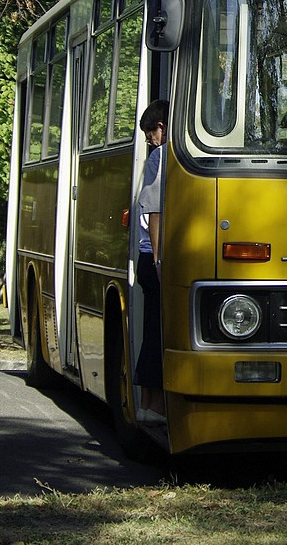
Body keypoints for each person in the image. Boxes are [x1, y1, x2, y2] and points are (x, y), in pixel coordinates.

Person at [135, 99, 168, 424]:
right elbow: (155, 211)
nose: (150, 139)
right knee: (158, 332)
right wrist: (159, 260)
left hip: (148, 257)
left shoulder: (160, 155)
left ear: (161, 126)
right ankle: (152, 405)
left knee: (153, 331)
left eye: (150, 132)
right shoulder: (163, 156)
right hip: (154, 258)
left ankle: (148, 404)